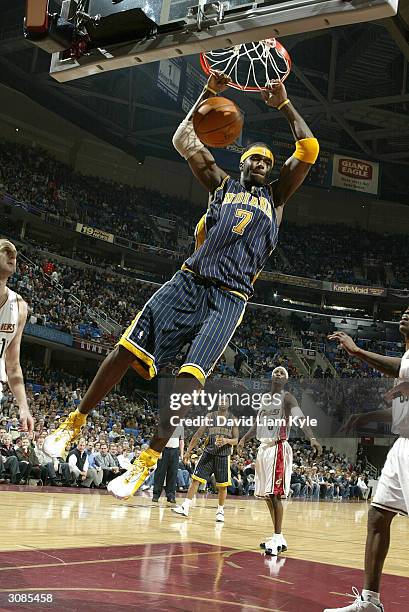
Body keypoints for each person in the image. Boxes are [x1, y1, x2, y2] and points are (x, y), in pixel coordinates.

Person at [44, 72, 319, 500]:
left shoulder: (277, 198)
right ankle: (74, 422)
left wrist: (283, 104)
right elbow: (182, 138)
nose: (261, 164)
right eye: (254, 158)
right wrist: (209, 93)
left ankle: (148, 458)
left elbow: (309, 148)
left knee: (191, 375)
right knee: (124, 348)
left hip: (229, 298)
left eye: (267, 160)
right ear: (240, 162)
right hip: (188, 280)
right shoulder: (220, 186)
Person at [323, 306, 409, 612]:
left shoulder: (404, 364)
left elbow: (399, 368)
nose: (407, 312)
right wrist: (366, 415)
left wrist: (357, 350)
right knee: (377, 516)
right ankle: (370, 602)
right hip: (402, 447)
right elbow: (401, 413)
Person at [237, 366, 322, 555]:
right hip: (263, 449)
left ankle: (277, 537)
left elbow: (301, 419)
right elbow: (257, 424)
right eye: (276, 371)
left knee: (275, 494)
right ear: (271, 376)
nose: (278, 374)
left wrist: (312, 438)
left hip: (278, 448)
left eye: (282, 373)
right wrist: (244, 438)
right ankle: (279, 536)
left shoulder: (288, 398)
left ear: (286, 380)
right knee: (268, 495)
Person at [172, 396, 239, 522]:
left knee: (222, 485)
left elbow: (236, 440)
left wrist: (226, 440)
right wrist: (187, 452)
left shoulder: (233, 419)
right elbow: (198, 434)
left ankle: (220, 511)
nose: (223, 402)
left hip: (223, 455)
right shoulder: (210, 416)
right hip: (208, 452)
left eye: (226, 401)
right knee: (196, 479)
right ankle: (185, 506)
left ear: (229, 404)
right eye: (221, 400)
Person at [0, 239, 33, 434]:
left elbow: (12, 365)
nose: (13, 255)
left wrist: (23, 407)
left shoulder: (19, 305)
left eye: (15, 253)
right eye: (6, 251)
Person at [152, 424, 184, 504]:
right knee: (160, 473)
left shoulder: (180, 426)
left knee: (173, 473)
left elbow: (181, 440)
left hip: (175, 451)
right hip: (164, 450)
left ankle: (171, 496)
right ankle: (156, 495)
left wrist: (182, 454)